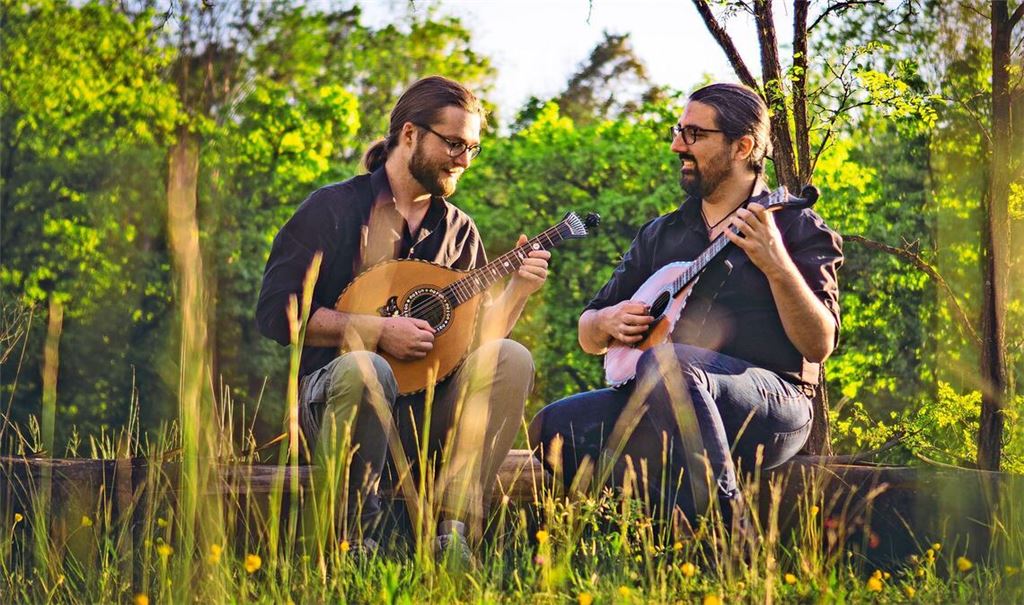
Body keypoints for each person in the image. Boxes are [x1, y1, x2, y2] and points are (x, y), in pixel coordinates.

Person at [256, 76, 550, 562]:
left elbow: (477, 344)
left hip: (426, 418)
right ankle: (355, 544)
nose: (464, 160)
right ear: (410, 135)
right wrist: (375, 330)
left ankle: (453, 535)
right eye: (454, 143)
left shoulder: (458, 231)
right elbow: (275, 315)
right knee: (368, 368)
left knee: (511, 358)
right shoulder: (331, 209)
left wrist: (519, 288)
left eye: (473, 148)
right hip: (338, 405)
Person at [528, 82, 843, 531]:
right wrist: (607, 320)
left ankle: (729, 539)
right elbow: (587, 334)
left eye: (694, 134)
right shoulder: (663, 233)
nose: (678, 144)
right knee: (553, 426)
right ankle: (665, 532)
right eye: (679, 130)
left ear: (743, 146)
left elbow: (818, 344)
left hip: (772, 406)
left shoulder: (794, 225)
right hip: (662, 405)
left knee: (670, 363)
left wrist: (777, 265)